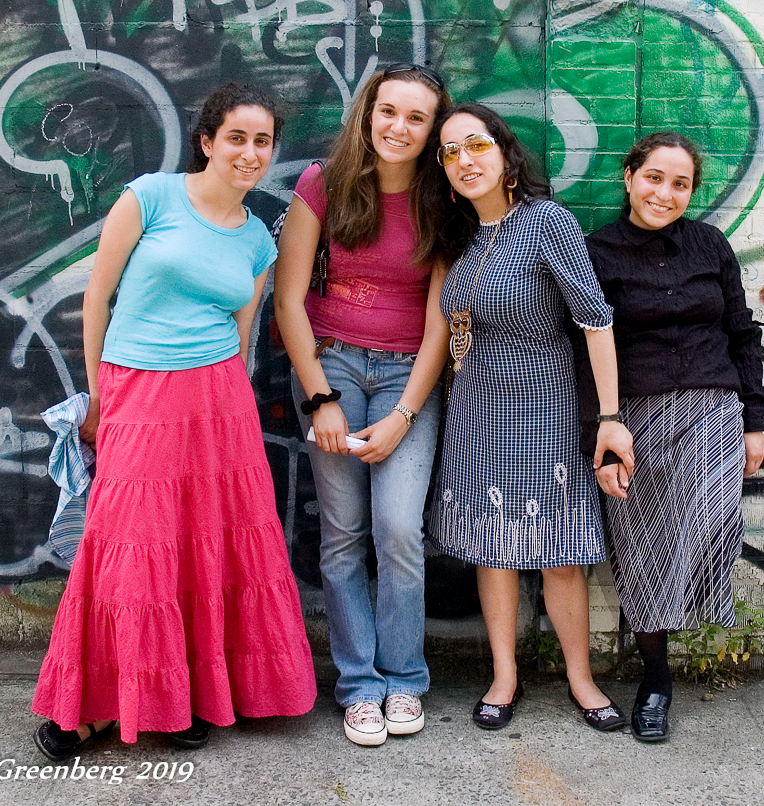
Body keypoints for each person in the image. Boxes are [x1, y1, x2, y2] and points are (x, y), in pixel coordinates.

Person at [31, 81, 317, 759]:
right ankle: (101, 703)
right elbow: (97, 298)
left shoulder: (256, 240)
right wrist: (100, 396)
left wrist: (229, 402)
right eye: (237, 137)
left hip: (217, 403)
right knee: (130, 549)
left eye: (263, 141)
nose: (250, 152)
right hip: (136, 390)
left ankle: (185, 695)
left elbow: (242, 335)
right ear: (208, 141)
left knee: (204, 546)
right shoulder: (150, 197)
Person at [429, 103, 634, 732]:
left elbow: (595, 322)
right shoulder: (456, 239)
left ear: (505, 152)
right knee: (493, 552)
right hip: (475, 409)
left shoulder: (548, 222)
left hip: (544, 404)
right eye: (450, 152)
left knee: (559, 552)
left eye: (475, 145)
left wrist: (608, 416)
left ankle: (580, 678)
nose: (464, 160)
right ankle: (504, 676)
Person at [273, 64, 452, 746]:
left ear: (432, 130)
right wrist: (320, 397)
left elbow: (440, 321)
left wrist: (406, 412)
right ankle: (359, 687)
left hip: (410, 374)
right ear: (367, 113)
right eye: (389, 112)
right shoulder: (324, 184)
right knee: (344, 534)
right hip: (333, 367)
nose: (398, 128)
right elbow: (288, 300)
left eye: (416, 118)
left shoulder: (441, 201)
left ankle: (405, 676)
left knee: (399, 528)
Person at [584, 131, 764, 742]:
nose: (665, 193)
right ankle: (656, 680)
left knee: (707, 527)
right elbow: (585, 353)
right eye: (654, 177)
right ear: (628, 176)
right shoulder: (597, 252)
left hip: (713, 413)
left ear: (691, 191)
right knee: (642, 549)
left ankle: (677, 653)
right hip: (634, 419)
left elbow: (742, 334)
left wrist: (754, 419)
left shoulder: (710, 245)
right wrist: (600, 434)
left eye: (680, 183)